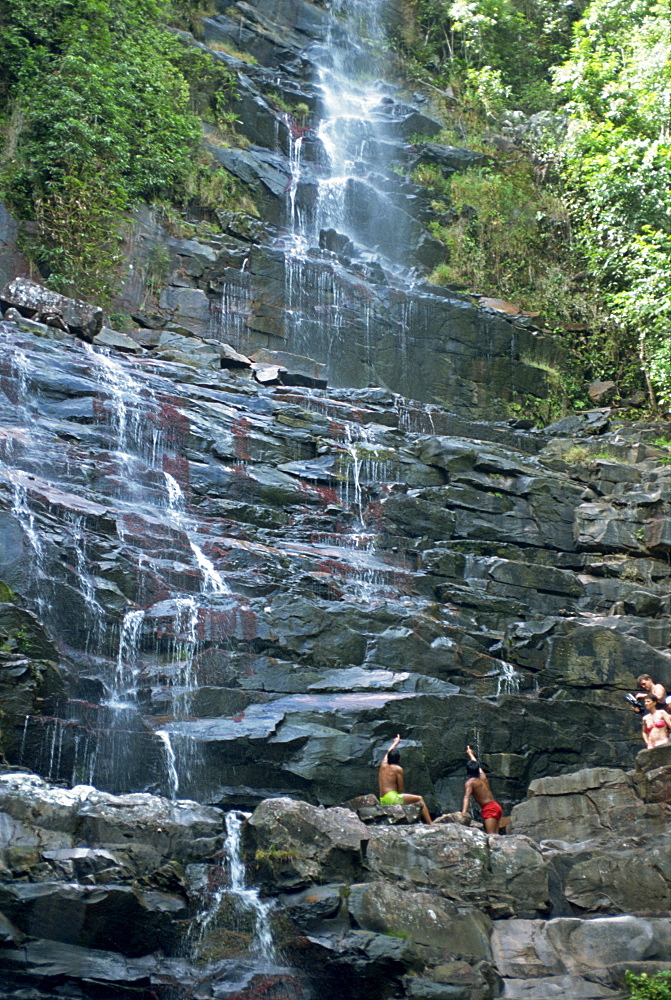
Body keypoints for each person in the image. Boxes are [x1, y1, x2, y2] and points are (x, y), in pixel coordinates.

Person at [377, 734, 433, 824]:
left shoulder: (383, 766)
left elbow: (388, 752)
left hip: (383, 799)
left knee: (407, 799)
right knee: (419, 799)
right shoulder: (398, 769)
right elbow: (400, 789)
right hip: (392, 798)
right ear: (399, 759)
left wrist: (395, 742)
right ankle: (430, 823)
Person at [460, 745, 503, 834]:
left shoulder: (470, 782)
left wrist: (463, 813)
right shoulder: (482, 776)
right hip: (496, 806)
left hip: (489, 809)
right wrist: (470, 754)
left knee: (491, 836)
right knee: (497, 836)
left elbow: (467, 797)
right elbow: (476, 764)